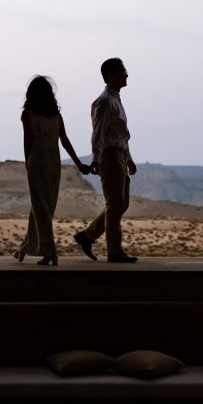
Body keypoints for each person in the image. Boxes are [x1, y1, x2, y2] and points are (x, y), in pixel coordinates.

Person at [15, 75, 91, 266]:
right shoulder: (56, 116)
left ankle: (50, 252)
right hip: (53, 165)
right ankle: (25, 248)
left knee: (41, 209)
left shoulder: (28, 114)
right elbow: (65, 141)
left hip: (37, 164)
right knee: (41, 208)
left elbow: (28, 142)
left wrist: (27, 163)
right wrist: (78, 164)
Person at [73, 58, 138, 263]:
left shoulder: (115, 99)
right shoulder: (104, 102)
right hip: (109, 155)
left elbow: (121, 134)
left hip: (118, 155)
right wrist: (96, 158)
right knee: (115, 203)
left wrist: (128, 158)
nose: (126, 74)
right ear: (110, 76)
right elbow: (98, 133)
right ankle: (114, 251)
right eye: (122, 71)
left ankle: (88, 236)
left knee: (121, 203)